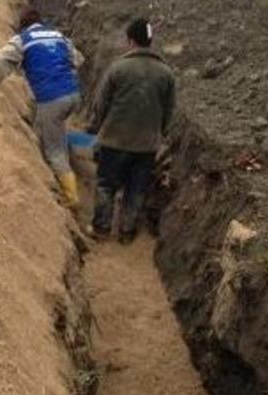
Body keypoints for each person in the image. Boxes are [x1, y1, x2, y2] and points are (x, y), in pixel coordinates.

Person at [0, 7, 85, 208]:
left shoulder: (22, 40)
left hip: (52, 98)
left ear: (22, 25)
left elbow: (0, 63)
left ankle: (71, 197)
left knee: (54, 150)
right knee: (48, 125)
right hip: (73, 95)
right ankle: (60, 150)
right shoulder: (58, 36)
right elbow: (78, 60)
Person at [87, 17, 175, 244]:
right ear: (150, 42)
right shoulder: (166, 73)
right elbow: (168, 111)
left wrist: (97, 128)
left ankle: (101, 228)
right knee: (135, 190)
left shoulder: (118, 68)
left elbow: (101, 104)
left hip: (114, 141)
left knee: (106, 184)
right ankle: (127, 231)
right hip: (146, 146)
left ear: (130, 41)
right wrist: (159, 134)